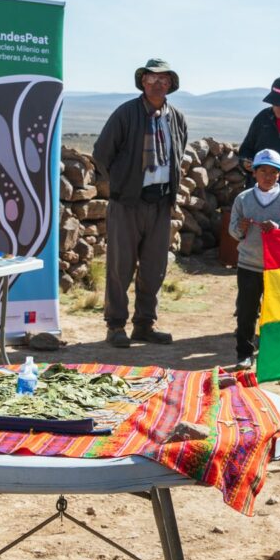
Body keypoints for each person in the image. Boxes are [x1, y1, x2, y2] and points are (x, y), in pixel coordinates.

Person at [92, 58, 188, 348]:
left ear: (171, 84)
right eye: (152, 78)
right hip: (127, 203)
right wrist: (122, 184)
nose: (159, 83)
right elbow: (101, 153)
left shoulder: (177, 118)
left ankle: (145, 325)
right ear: (143, 82)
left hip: (160, 204)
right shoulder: (126, 114)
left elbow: (178, 156)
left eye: (164, 78)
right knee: (120, 266)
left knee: (154, 267)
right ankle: (116, 326)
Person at [229, 149, 280, 369]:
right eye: (263, 171)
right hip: (248, 265)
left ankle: (274, 352)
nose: (268, 176)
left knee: (275, 310)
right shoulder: (243, 199)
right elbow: (233, 230)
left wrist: (279, 227)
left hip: (275, 267)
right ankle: (244, 353)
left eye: (273, 172)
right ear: (254, 173)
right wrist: (240, 229)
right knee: (246, 311)